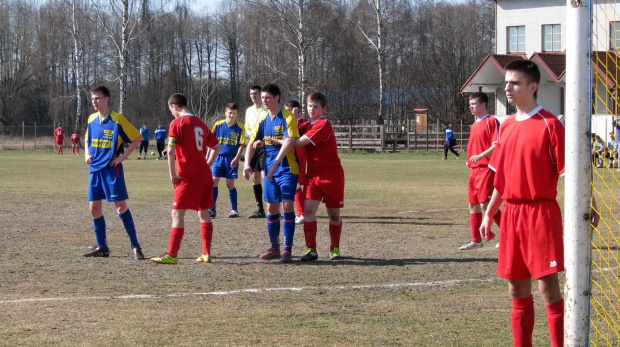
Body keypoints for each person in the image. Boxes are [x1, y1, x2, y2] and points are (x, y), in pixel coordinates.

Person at [479, 60, 566, 347]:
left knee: (547, 288)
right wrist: (489, 213)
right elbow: (501, 181)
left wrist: (587, 206)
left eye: (515, 82)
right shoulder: (505, 127)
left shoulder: (551, 125)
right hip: (513, 215)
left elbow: (572, 174)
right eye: (506, 82)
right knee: (516, 288)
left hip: (540, 213)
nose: (508, 87)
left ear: (533, 87)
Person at [273, 92, 344, 262]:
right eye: (310, 106)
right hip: (313, 175)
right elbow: (291, 131)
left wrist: (278, 141)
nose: (312, 109)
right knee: (308, 211)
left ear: (323, 108)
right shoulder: (305, 124)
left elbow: (297, 142)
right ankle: (311, 249)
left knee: (333, 215)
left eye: (316, 107)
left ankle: (334, 248)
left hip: (332, 175)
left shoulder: (323, 124)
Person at [151, 93, 221, 264]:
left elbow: (172, 150)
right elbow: (217, 146)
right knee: (203, 212)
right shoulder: (201, 123)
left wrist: (172, 175)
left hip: (189, 176)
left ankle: (172, 254)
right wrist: (207, 164)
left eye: (171, 110)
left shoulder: (177, 123)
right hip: (205, 175)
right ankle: (206, 253)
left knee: (177, 212)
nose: (172, 114)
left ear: (174, 106)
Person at [82, 85, 144, 260]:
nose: (94, 101)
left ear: (106, 99)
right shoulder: (91, 119)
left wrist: (122, 157)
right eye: (92, 98)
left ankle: (135, 246)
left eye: (97, 98)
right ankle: (102, 247)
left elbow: (137, 138)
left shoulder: (117, 119)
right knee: (94, 209)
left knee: (120, 207)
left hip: (111, 170)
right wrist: (87, 153)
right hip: (95, 170)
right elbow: (87, 138)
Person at [243, 83, 299, 263]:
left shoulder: (287, 116)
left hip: (287, 169)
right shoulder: (263, 119)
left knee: (288, 205)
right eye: (263, 97)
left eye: (268, 97)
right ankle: (274, 247)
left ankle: (287, 250)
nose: (264, 100)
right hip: (270, 170)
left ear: (277, 98)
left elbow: (290, 141)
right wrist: (246, 165)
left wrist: (275, 164)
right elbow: (252, 142)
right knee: (271, 207)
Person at [459, 92, 502, 250]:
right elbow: (473, 145)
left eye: (474, 104)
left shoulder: (491, 121)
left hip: (487, 168)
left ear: (483, 104)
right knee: (473, 204)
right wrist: (469, 159)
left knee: (486, 204)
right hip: (474, 170)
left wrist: (481, 156)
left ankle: (508, 235)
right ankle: (476, 240)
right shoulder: (475, 124)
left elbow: (496, 144)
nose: (471, 107)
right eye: (470, 104)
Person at [209, 103, 245, 218]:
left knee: (230, 185)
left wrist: (237, 158)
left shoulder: (240, 127)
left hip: (231, 159)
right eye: (230, 113)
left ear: (236, 114)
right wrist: (208, 158)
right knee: (214, 182)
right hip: (218, 158)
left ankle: (234, 210)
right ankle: (212, 209)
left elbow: (241, 145)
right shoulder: (218, 125)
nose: (232, 115)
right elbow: (210, 143)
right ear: (225, 113)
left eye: (234, 113)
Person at [244, 85, 268, 218]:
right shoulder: (249, 111)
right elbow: (247, 127)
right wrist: (252, 134)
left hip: (265, 145)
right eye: (251, 94)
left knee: (266, 176)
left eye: (256, 93)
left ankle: (272, 205)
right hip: (253, 144)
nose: (253, 96)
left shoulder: (267, 109)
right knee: (255, 177)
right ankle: (260, 209)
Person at [283, 100, 307, 225]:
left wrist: (295, 116)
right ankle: (300, 212)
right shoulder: (289, 121)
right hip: (290, 157)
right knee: (294, 186)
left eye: (289, 110)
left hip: (298, 157)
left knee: (297, 185)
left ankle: (302, 213)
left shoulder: (302, 122)